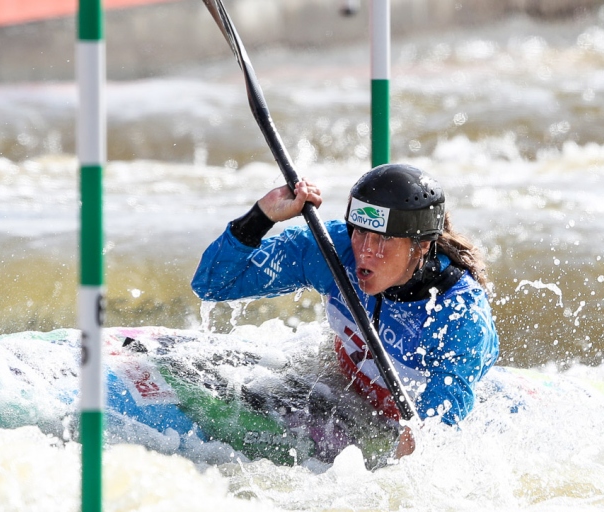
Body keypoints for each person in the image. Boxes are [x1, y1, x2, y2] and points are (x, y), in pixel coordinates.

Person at [191, 163, 499, 457]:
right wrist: (262, 215)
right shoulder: (332, 250)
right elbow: (212, 284)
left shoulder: (460, 316)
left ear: (421, 245)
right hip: (340, 385)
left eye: (384, 239)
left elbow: (429, 441)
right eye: (360, 231)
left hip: (397, 424)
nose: (364, 251)